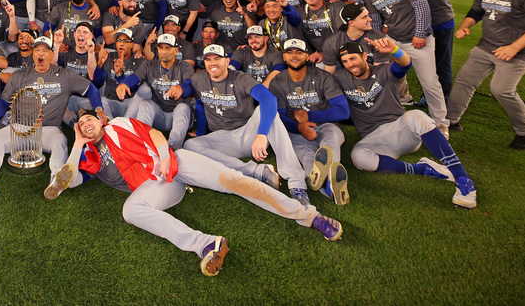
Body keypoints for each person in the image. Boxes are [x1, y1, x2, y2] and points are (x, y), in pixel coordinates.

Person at [45, 110, 342, 277]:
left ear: (102, 121)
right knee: (130, 211)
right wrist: (78, 143)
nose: (86, 125)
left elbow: (155, 135)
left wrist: (163, 156)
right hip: (159, 186)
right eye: (81, 125)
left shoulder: (118, 125)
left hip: (175, 162)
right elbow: (69, 179)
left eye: (89, 120)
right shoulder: (88, 156)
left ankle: (309, 217)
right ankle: (206, 245)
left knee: (235, 182)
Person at [334, 39, 477, 208]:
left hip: (401, 129)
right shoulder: (341, 77)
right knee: (358, 157)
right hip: (374, 138)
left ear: (364, 56)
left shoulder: (384, 71)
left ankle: (462, 178)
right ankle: (422, 169)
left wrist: (395, 50)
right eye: (345, 61)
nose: (350, 64)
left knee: (417, 116)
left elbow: (404, 65)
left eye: (353, 58)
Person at [0, 36, 101, 197]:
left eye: (45, 50)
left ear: (52, 55)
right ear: (33, 54)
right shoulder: (19, 76)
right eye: (37, 50)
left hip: (48, 129)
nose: (41, 54)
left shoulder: (65, 75)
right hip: (19, 128)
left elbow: (91, 89)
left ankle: (56, 181)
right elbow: (4, 102)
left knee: (60, 141)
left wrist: (99, 109)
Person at [185, 44, 311, 201]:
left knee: (267, 112)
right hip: (222, 138)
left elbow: (268, 99)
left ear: (227, 61)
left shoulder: (241, 78)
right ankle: (257, 171)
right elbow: (199, 104)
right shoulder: (199, 78)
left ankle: (296, 183)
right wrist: (201, 133)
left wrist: (261, 134)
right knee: (190, 146)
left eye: (217, 59)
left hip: (247, 135)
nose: (213, 63)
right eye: (208, 60)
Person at [446, 0, 525, 150]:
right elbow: (477, 11)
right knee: (464, 81)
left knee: (501, 89)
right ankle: (449, 121)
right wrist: (465, 25)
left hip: (520, 51)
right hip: (487, 46)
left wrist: (513, 48)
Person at [362, 0, 448, 135]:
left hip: (416, 40)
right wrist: (379, 40)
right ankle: (390, 116)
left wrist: (420, 33)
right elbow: (376, 20)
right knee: (384, 78)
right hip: (393, 41)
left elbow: (422, 7)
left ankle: (441, 122)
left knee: (430, 82)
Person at [265, 39, 350, 206]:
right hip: (295, 131)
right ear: (284, 57)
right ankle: (329, 187)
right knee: (306, 157)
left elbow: (343, 111)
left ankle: (326, 182)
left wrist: (309, 116)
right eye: (290, 52)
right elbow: (280, 116)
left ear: (307, 56)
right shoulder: (278, 82)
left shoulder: (323, 77)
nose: (294, 56)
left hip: (326, 126)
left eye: (299, 52)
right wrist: (299, 127)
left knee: (329, 142)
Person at [116, 33, 194, 149]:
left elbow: (191, 87)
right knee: (146, 103)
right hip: (159, 116)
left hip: (179, 117)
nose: (164, 51)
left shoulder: (184, 66)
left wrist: (181, 88)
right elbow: (136, 77)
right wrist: (124, 84)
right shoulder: (149, 65)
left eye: (168, 48)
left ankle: (173, 147)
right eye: (161, 48)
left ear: (176, 50)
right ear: (157, 49)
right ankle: (141, 142)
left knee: (183, 107)